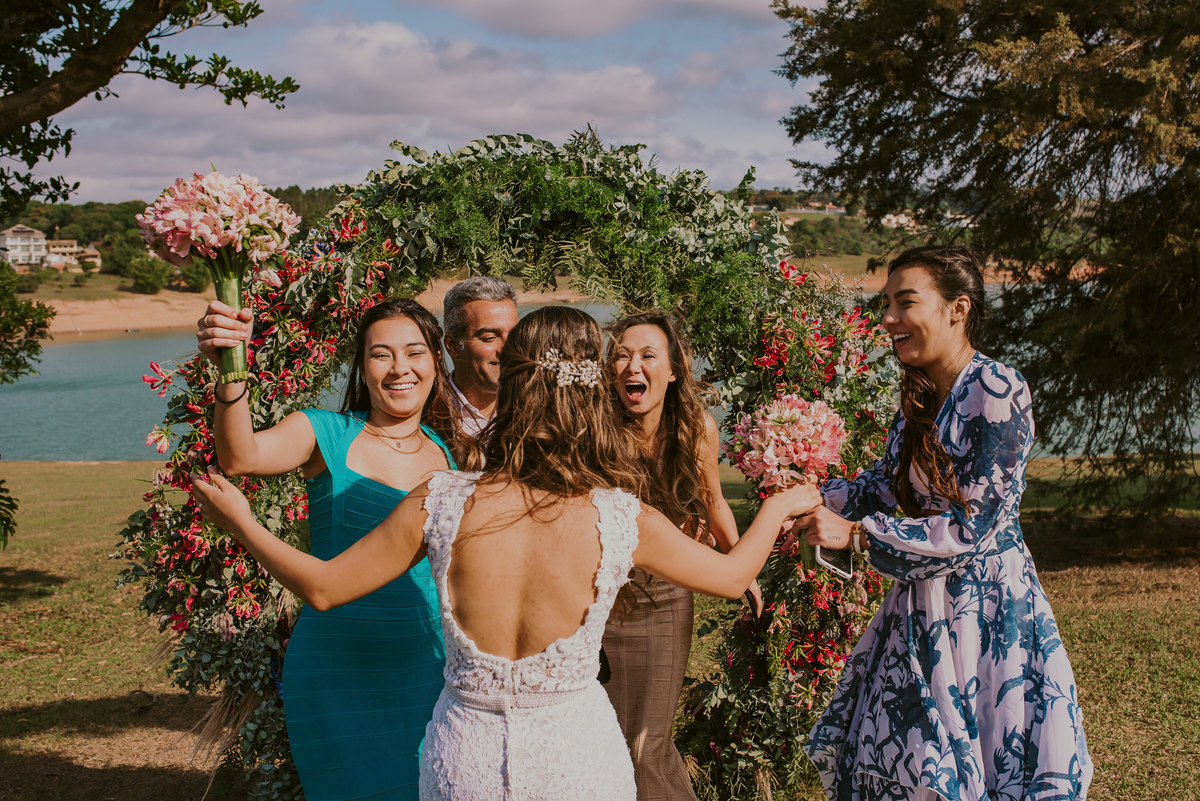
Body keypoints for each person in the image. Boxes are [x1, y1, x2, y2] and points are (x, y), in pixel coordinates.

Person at [191, 305, 823, 801]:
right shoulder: (623, 516)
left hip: (462, 756)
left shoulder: (440, 498)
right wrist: (775, 506)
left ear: (512, 389)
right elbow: (734, 574)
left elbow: (324, 586)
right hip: (577, 760)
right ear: (590, 399)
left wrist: (244, 522)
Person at [795, 246, 1092, 800]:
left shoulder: (998, 390)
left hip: (986, 616)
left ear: (958, 309)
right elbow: (883, 485)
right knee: (908, 764)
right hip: (920, 606)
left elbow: (971, 528)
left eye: (905, 302)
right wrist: (807, 496)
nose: (887, 319)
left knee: (972, 764)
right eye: (885, 304)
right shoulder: (920, 395)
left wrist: (856, 537)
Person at [195, 296, 466, 801]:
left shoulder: (450, 453)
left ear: (436, 360)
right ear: (362, 367)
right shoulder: (324, 432)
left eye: (415, 352)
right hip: (336, 672)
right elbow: (240, 455)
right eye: (381, 354)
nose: (400, 369)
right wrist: (230, 370)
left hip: (425, 669)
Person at [602, 311, 760, 801]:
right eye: (623, 355)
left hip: (664, 599)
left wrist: (740, 566)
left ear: (672, 371)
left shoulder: (694, 428)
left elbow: (714, 503)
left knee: (645, 746)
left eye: (648, 355)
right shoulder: (596, 427)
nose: (634, 365)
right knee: (610, 742)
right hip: (599, 599)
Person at [442, 276, 519, 437]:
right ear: (453, 346)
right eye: (490, 338)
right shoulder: (426, 415)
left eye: (514, 335)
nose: (508, 348)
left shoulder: (537, 407)